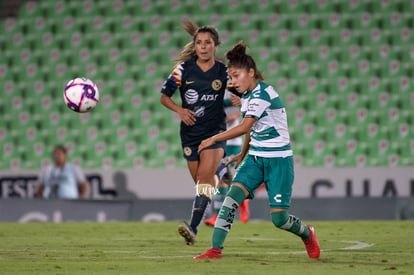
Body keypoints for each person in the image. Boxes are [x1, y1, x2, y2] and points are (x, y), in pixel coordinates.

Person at [193, 41, 320, 259]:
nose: (233, 81)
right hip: (255, 158)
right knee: (231, 198)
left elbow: (244, 126)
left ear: (251, 72)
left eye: (236, 76)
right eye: (230, 77)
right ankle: (215, 250)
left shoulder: (262, 94)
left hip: (278, 161)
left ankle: (307, 233)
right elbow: (252, 130)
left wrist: (210, 139)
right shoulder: (248, 94)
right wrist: (243, 154)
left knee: (279, 219)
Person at [160, 19, 228, 245]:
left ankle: (193, 228)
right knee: (202, 184)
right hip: (189, 134)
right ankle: (222, 170)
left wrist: (239, 98)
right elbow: (164, 97)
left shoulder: (223, 71)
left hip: (214, 133)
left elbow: (242, 90)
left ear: (215, 46)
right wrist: (179, 110)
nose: (203, 46)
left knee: (204, 182)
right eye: (199, 42)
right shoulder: (182, 70)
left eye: (208, 42)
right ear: (195, 45)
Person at [204, 91, 251, 226]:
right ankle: (242, 200)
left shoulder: (234, 91)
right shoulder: (211, 92)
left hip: (232, 142)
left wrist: (234, 115)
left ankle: (216, 216)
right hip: (218, 139)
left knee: (221, 176)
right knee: (223, 178)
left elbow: (248, 109)